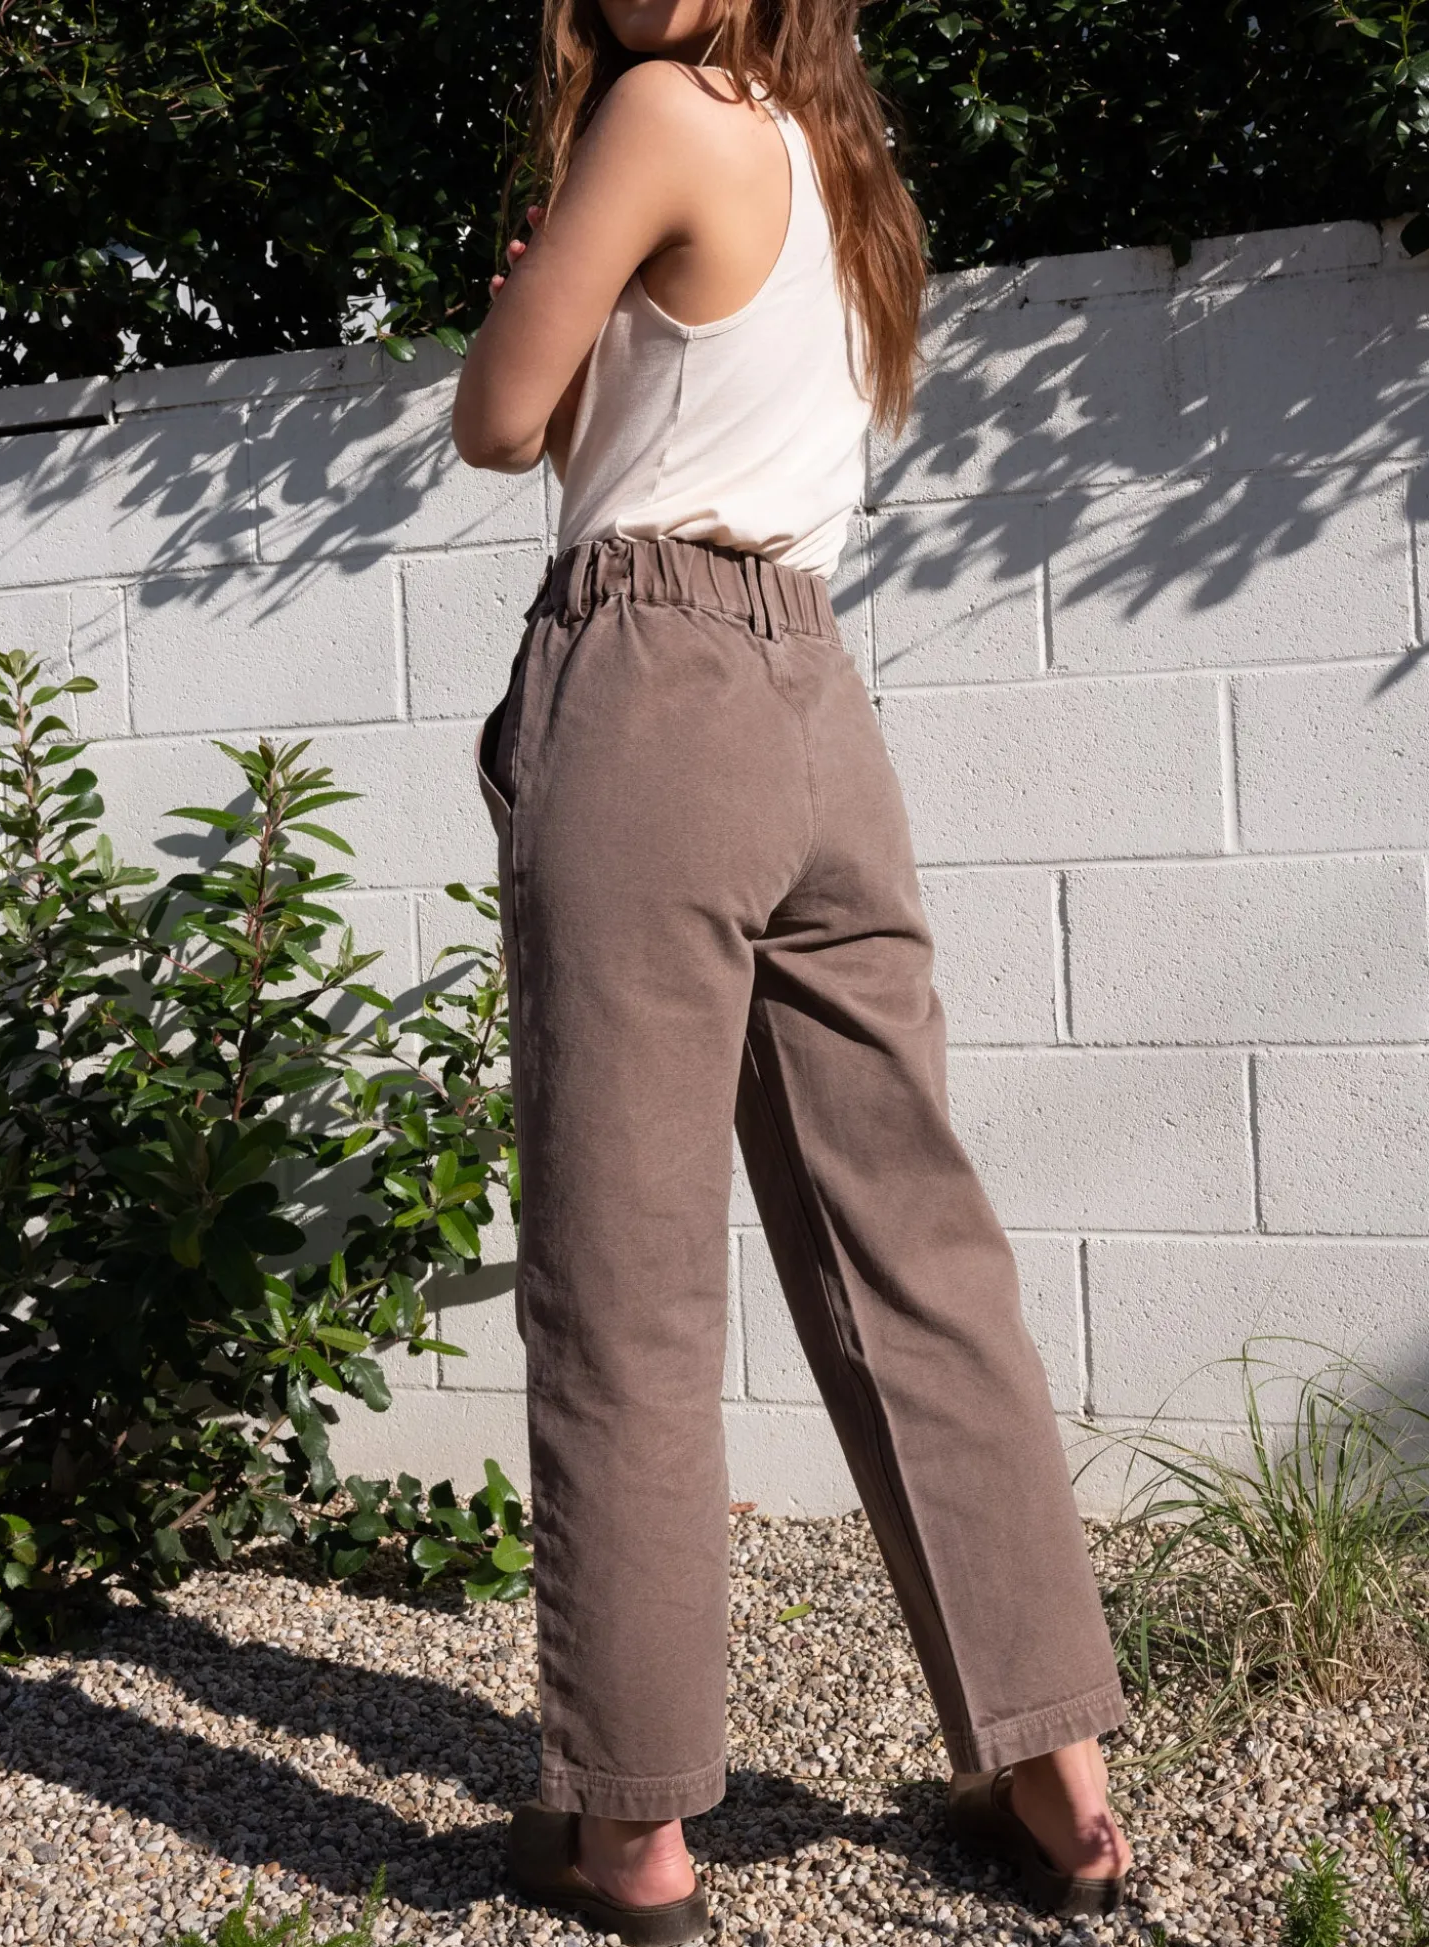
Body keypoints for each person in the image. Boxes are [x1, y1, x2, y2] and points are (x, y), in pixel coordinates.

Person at [451, 3, 1134, 1940]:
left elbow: (499, 421)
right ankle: (1059, 1779)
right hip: (819, 701)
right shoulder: (841, 162)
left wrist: (536, 315)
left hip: (653, 693)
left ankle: (637, 1832)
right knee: (919, 1254)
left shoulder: (656, 113)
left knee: (627, 1285)